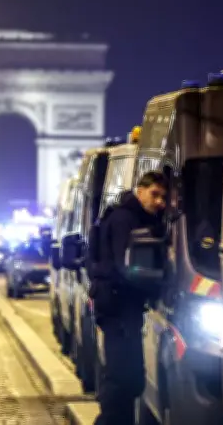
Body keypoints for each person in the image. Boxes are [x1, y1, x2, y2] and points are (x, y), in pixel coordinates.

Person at [90, 171, 168, 425]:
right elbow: (127, 268)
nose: (159, 202)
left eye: (163, 197)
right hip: (118, 307)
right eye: (154, 194)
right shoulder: (126, 220)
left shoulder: (133, 217)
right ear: (140, 190)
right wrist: (156, 287)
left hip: (122, 307)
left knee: (130, 378)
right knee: (122, 378)